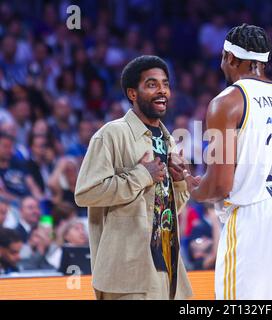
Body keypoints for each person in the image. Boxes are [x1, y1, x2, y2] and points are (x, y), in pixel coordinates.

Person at [184, 24, 272, 299]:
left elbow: (220, 186)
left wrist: (189, 185)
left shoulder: (227, 102)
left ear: (230, 58)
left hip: (257, 220)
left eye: (223, 58)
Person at [75, 55, 192, 300]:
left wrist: (179, 182)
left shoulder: (167, 140)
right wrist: (141, 175)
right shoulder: (112, 134)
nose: (162, 91)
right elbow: (86, 192)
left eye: (165, 84)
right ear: (132, 94)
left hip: (167, 271)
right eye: (152, 84)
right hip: (127, 275)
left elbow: (164, 212)